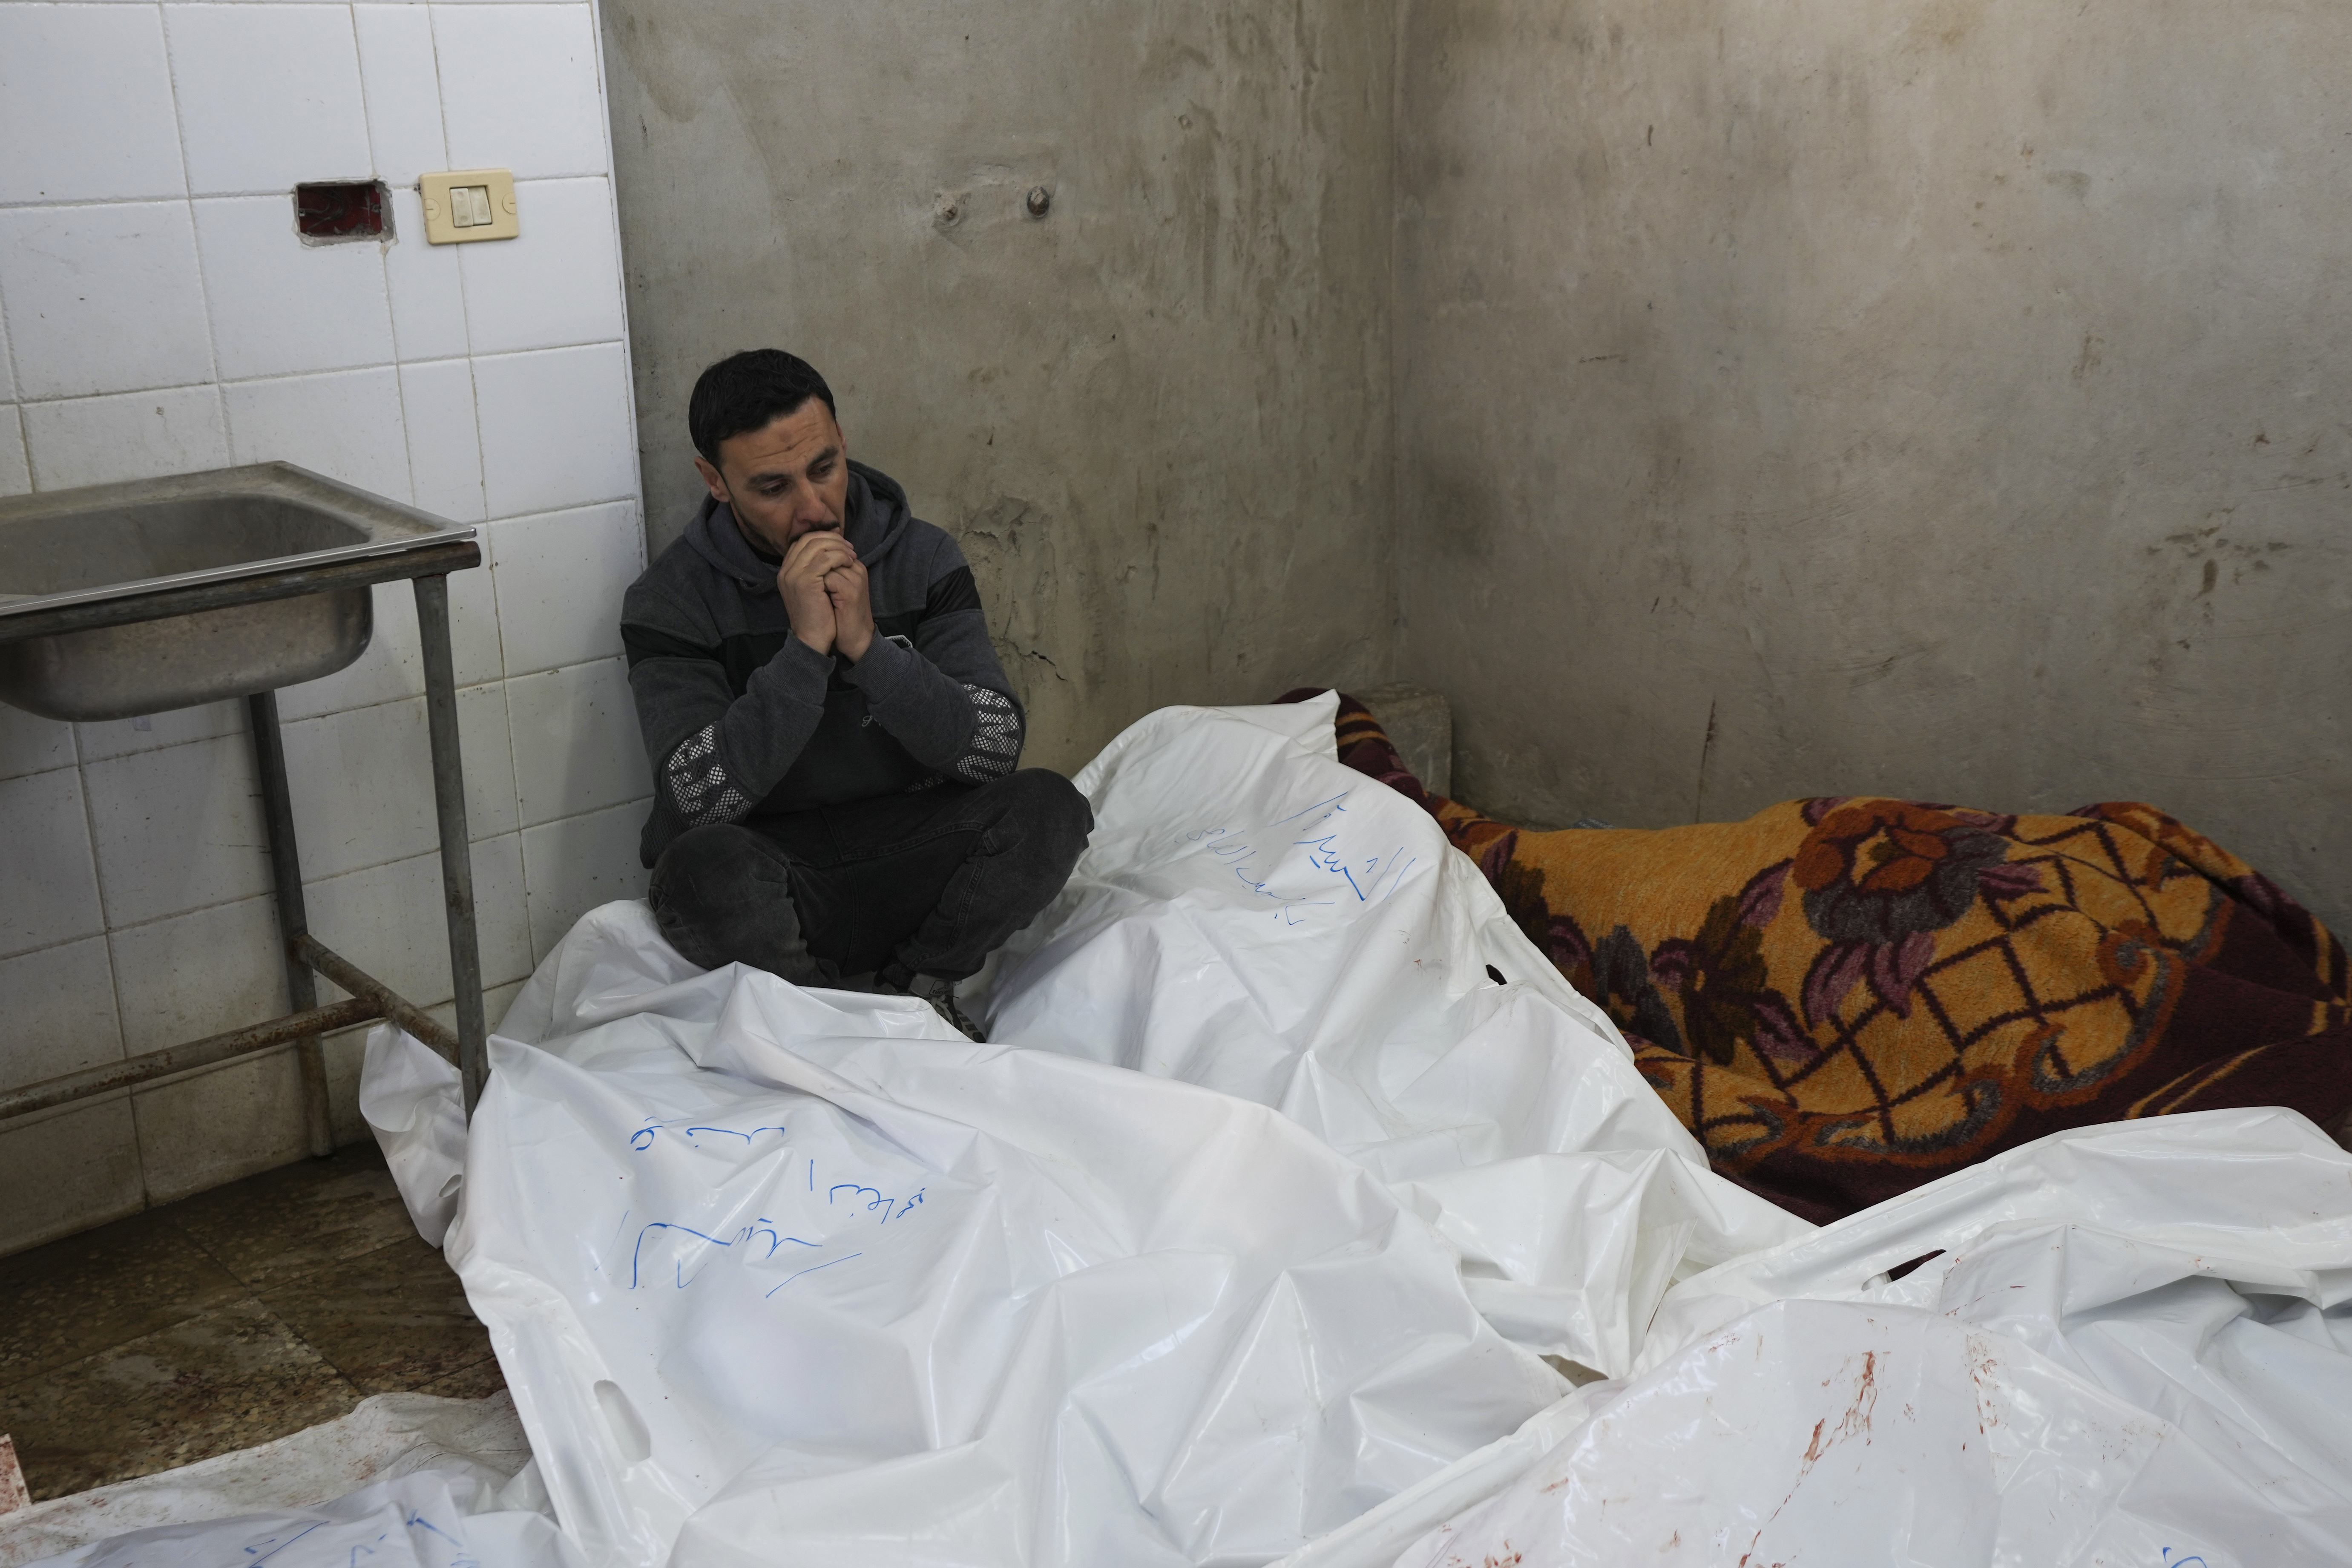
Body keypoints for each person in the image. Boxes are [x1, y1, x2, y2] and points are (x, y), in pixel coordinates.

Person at [618, 349, 1093, 1039]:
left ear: (842, 442)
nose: (814, 510)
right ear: (715, 482)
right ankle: (827, 1021)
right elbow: (696, 800)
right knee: (698, 873)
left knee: (1050, 807)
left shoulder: (924, 558)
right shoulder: (669, 601)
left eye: (823, 469)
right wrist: (805, 652)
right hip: (778, 875)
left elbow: (992, 753)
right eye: (772, 488)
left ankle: (919, 990)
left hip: (912, 847)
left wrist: (870, 650)